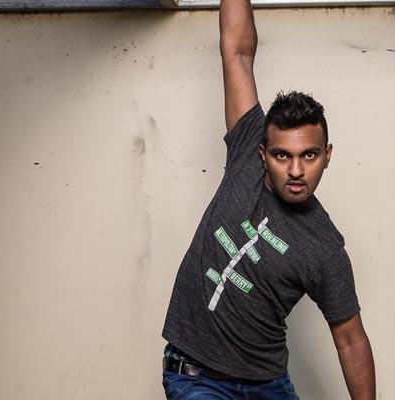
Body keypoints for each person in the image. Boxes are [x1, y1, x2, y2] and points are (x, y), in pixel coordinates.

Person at [161, 0, 376, 399]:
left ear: (327, 155)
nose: (295, 170)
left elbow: (351, 340)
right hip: (197, 378)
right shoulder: (246, 150)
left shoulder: (325, 249)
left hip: (268, 384)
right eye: (282, 155)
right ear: (263, 153)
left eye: (308, 155)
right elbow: (238, 52)